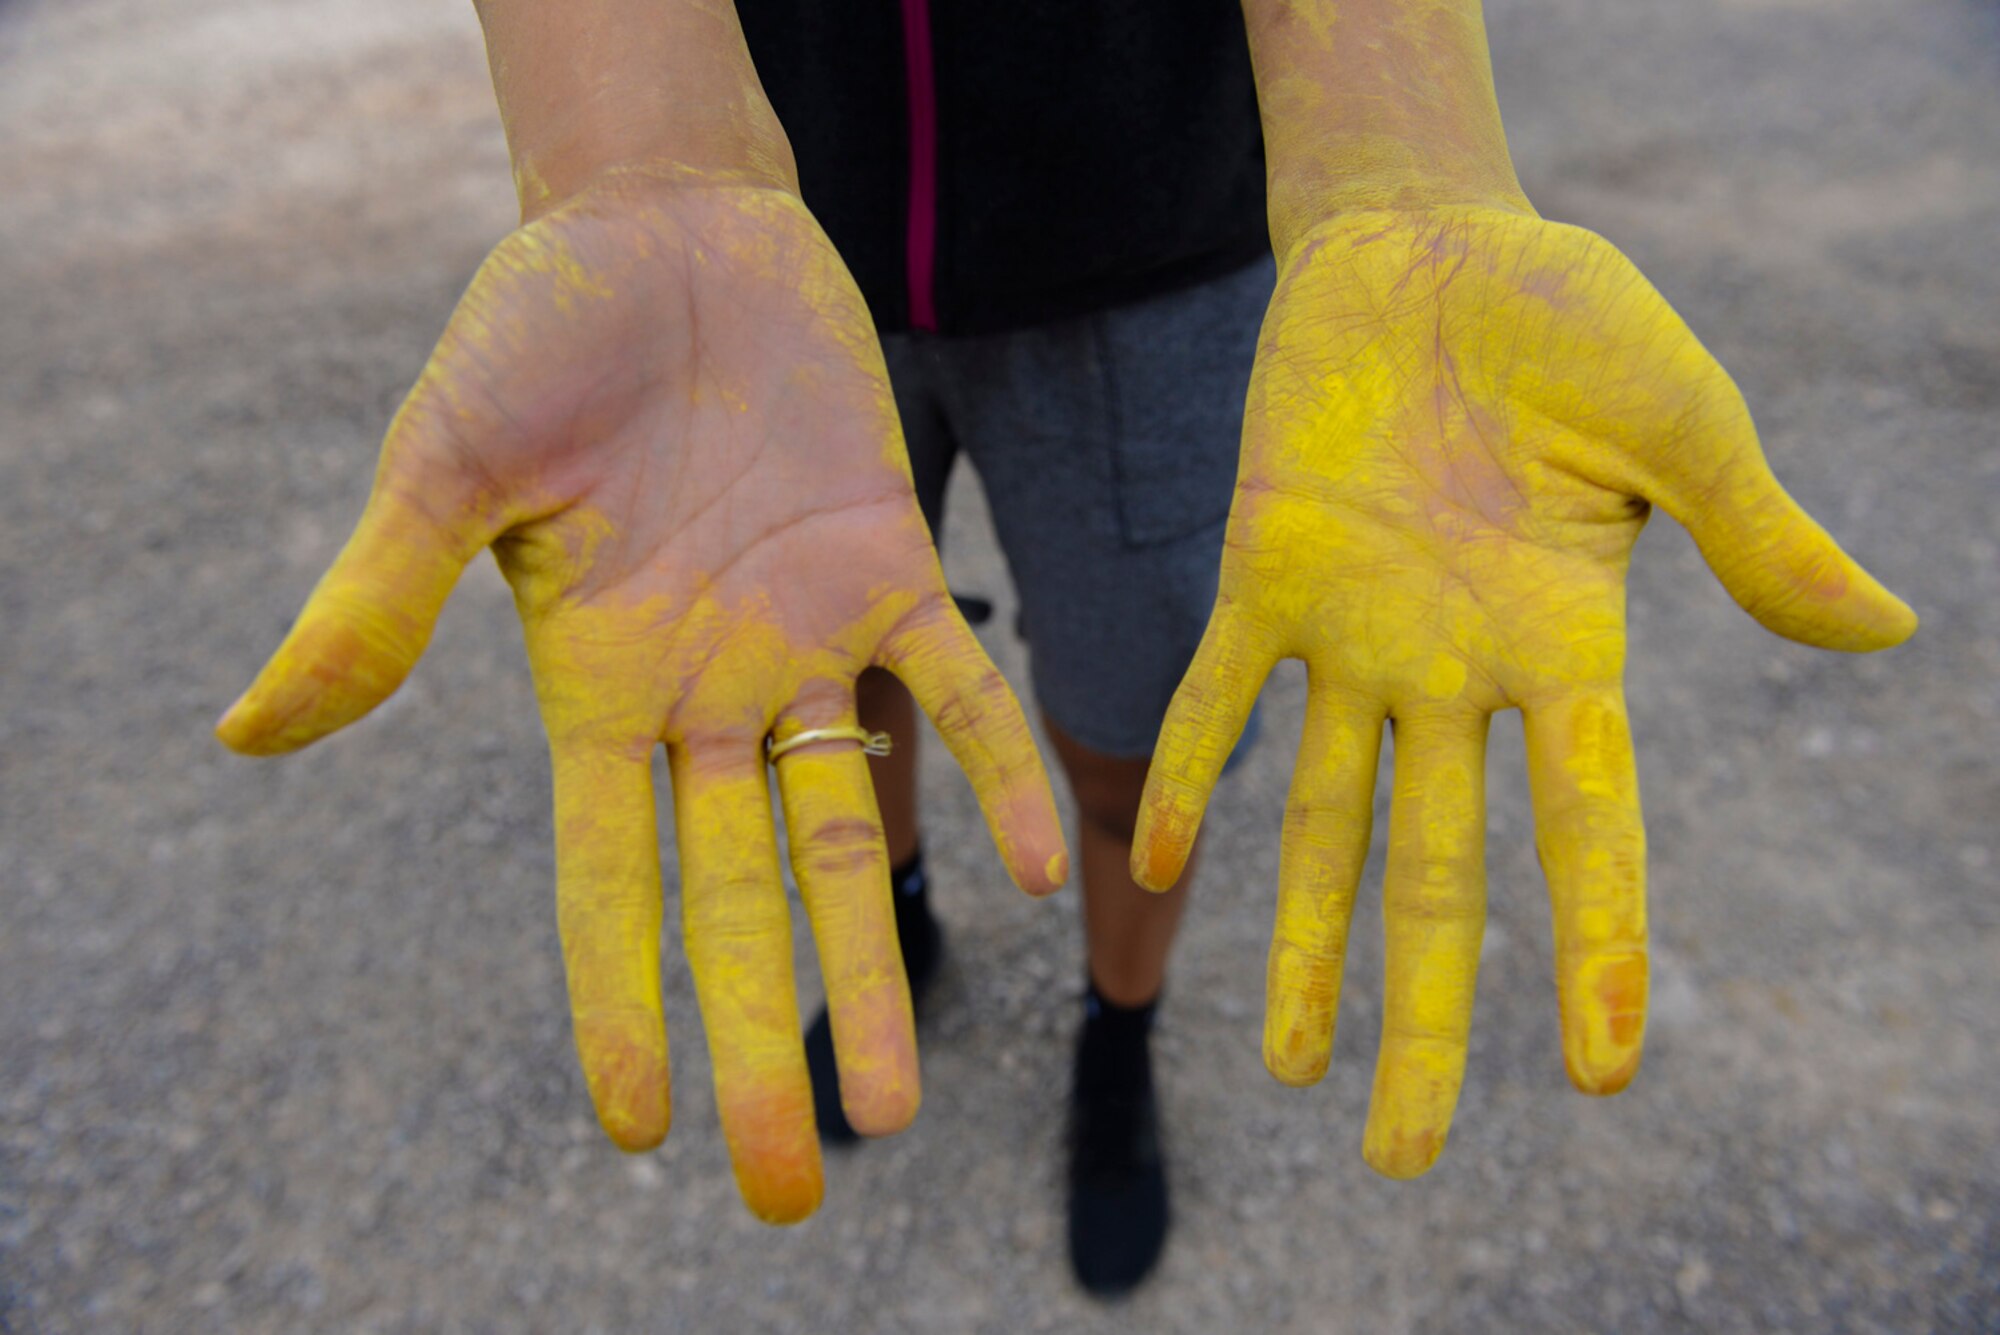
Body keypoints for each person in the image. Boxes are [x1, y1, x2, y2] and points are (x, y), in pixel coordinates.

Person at [216, 0, 1916, 1298]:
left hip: (1152, 251)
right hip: (770, 240)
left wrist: (1400, 159)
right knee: (830, 669)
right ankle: (899, 924)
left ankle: (1117, 1031)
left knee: (1133, 731)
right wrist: (631, 159)